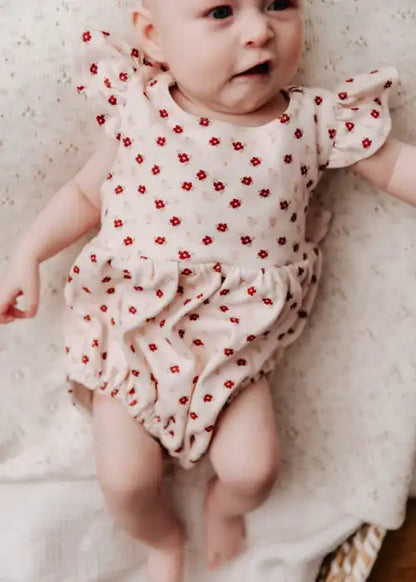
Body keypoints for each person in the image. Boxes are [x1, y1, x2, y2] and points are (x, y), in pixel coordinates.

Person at [1, 1, 415, 580]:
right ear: (154, 36)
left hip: (236, 346)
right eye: (221, 12)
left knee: (254, 471)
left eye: (279, 4)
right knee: (126, 480)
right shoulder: (141, 108)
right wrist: (27, 254)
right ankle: (162, 537)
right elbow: (85, 195)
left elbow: (394, 167)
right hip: (133, 335)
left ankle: (224, 508)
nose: (259, 30)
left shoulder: (312, 120)